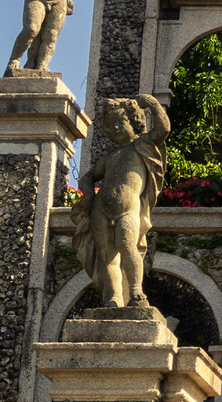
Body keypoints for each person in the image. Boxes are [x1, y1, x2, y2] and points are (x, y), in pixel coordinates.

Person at [71, 94, 168, 307]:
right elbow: (87, 177)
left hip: (128, 209)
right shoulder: (110, 157)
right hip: (100, 209)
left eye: (121, 122)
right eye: (111, 125)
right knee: (107, 254)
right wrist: (88, 197)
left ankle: (136, 291)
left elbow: (164, 129)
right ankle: (114, 296)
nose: (115, 128)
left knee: (126, 244)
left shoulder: (143, 145)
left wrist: (152, 104)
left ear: (134, 121)